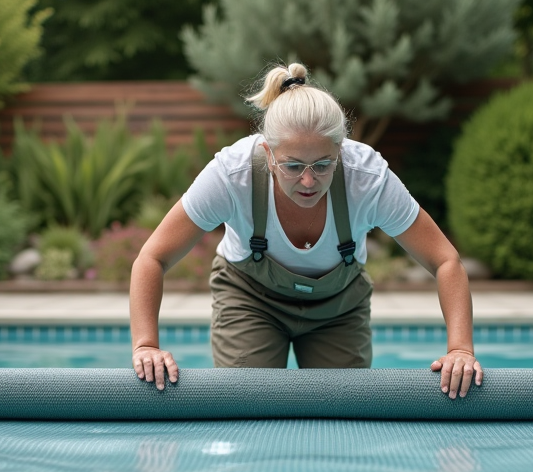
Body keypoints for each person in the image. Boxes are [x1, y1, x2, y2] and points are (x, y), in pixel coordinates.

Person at [129, 62, 482, 398]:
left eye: (324, 164)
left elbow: (445, 260)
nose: (309, 181)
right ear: (269, 154)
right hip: (250, 300)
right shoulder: (231, 175)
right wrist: (146, 345)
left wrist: (461, 349)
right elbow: (153, 257)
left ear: (340, 151)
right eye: (293, 165)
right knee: (248, 408)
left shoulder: (369, 179)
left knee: (346, 418)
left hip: (339, 306)